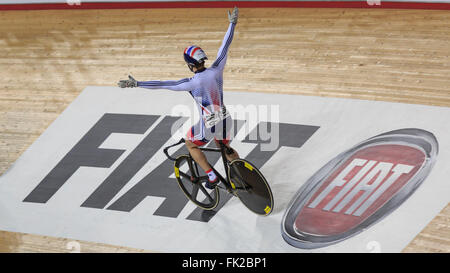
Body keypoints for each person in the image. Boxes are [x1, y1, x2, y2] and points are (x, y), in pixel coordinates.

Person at [118, 7, 240, 189]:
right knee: (225, 147)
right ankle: (241, 172)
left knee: (190, 144)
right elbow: (225, 46)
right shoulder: (216, 70)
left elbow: (163, 84)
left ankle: (212, 176)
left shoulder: (191, 83)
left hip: (209, 123)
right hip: (225, 117)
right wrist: (232, 24)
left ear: (190, 65)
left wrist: (137, 83)